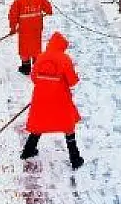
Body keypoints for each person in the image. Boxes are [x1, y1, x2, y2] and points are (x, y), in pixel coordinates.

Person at [21, 31, 84, 170]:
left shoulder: (41, 57)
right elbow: (72, 81)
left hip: (41, 98)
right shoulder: (65, 59)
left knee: (39, 124)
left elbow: (33, 78)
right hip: (60, 99)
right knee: (68, 127)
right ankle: (75, 158)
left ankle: (28, 151)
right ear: (62, 46)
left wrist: (46, 83)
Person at [8, 0, 53, 75]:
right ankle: (37, 66)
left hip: (24, 29)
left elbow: (13, 15)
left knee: (24, 47)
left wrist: (12, 28)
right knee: (36, 46)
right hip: (37, 28)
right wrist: (49, 12)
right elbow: (48, 8)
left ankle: (26, 67)